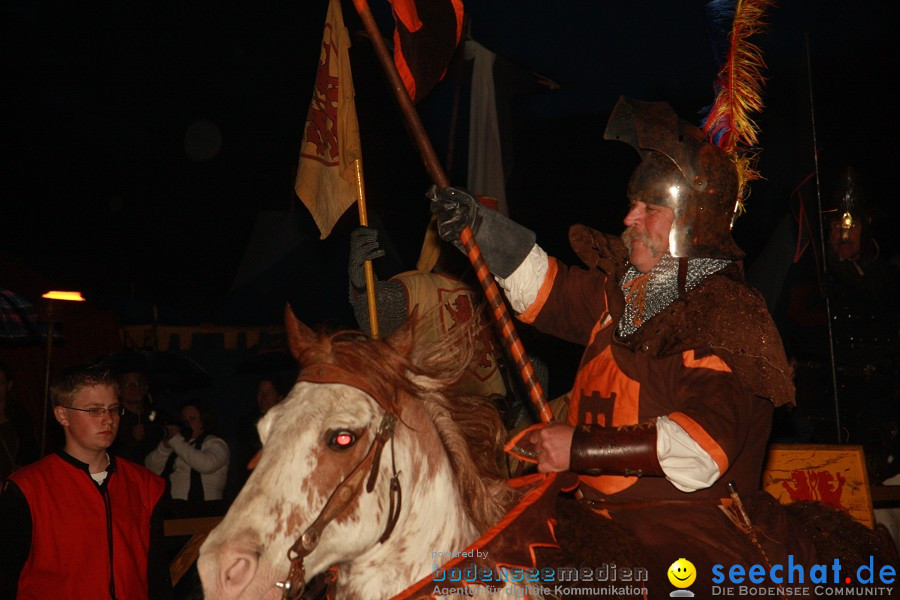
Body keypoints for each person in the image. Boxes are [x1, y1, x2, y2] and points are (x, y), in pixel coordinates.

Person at [431, 96, 818, 594]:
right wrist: (481, 229)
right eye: (634, 203)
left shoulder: (726, 315)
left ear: (690, 218)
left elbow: (703, 448)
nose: (629, 217)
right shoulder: (627, 291)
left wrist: (581, 448)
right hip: (596, 513)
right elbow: (549, 289)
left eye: (649, 207)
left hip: (690, 529)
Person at [348, 224, 546, 432]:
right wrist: (362, 284)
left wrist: (524, 418)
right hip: (438, 419)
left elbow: (531, 360)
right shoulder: (420, 286)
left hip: (493, 421)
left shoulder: (495, 296)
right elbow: (376, 316)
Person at [0, 362, 171, 599]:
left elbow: (157, 578)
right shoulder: (28, 488)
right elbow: (6, 579)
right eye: (94, 410)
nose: (108, 420)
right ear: (63, 415)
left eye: (113, 409)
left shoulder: (146, 485)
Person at [145, 399, 230, 518]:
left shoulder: (216, 443)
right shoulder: (179, 444)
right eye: (183, 420)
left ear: (203, 421)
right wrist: (164, 447)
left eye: (192, 419)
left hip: (207, 512)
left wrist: (175, 441)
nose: (187, 424)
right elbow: (150, 468)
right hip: (175, 511)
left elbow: (206, 465)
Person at [110, 366, 165, 464]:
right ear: (119, 389)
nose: (133, 388)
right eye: (127, 384)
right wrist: (132, 439)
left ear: (145, 387)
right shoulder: (113, 417)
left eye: (137, 383)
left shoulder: (155, 415)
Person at [0, 362, 38, 479]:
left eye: (0, 383)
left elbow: (30, 451)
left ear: (9, 385)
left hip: (13, 483)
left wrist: (23, 468)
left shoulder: (20, 416)